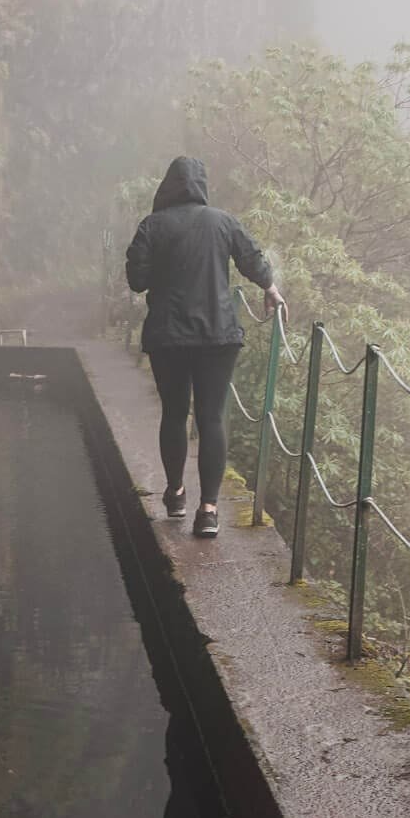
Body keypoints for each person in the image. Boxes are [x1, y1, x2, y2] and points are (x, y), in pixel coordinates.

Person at [125, 156, 284, 539]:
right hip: (217, 335)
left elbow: (136, 280)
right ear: (201, 186)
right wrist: (270, 287)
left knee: (174, 414)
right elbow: (251, 258)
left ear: (167, 186)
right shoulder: (223, 221)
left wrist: (166, 267)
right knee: (211, 418)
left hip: (168, 336)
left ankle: (176, 494)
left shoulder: (152, 226)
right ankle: (209, 511)